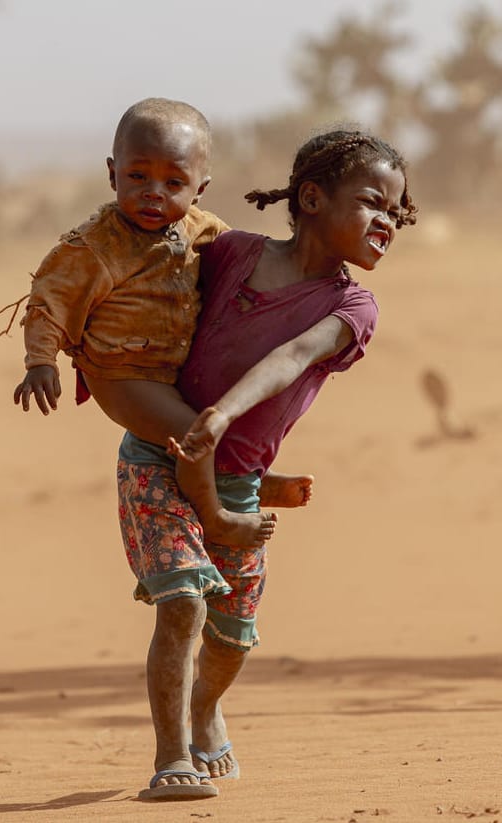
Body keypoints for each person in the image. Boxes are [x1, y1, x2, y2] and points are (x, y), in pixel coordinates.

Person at [113, 128, 415, 801]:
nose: (387, 222)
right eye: (372, 203)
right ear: (311, 197)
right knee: (183, 600)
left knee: (233, 634)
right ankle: (173, 757)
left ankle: (204, 706)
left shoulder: (351, 307)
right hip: (157, 459)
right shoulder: (227, 252)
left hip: (236, 481)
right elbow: (138, 267)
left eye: (396, 212)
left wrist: (220, 418)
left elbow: (292, 357)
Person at [10, 98, 312, 555]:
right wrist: (40, 362)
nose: (154, 192)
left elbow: (249, 260)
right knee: (197, 435)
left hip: (171, 368)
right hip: (121, 373)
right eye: (137, 177)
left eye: (173, 182)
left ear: (200, 188)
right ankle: (217, 519)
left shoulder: (202, 229)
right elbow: (50, 299)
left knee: (220, 423)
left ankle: (249, 481)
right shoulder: (96, 245)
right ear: (113, 174)